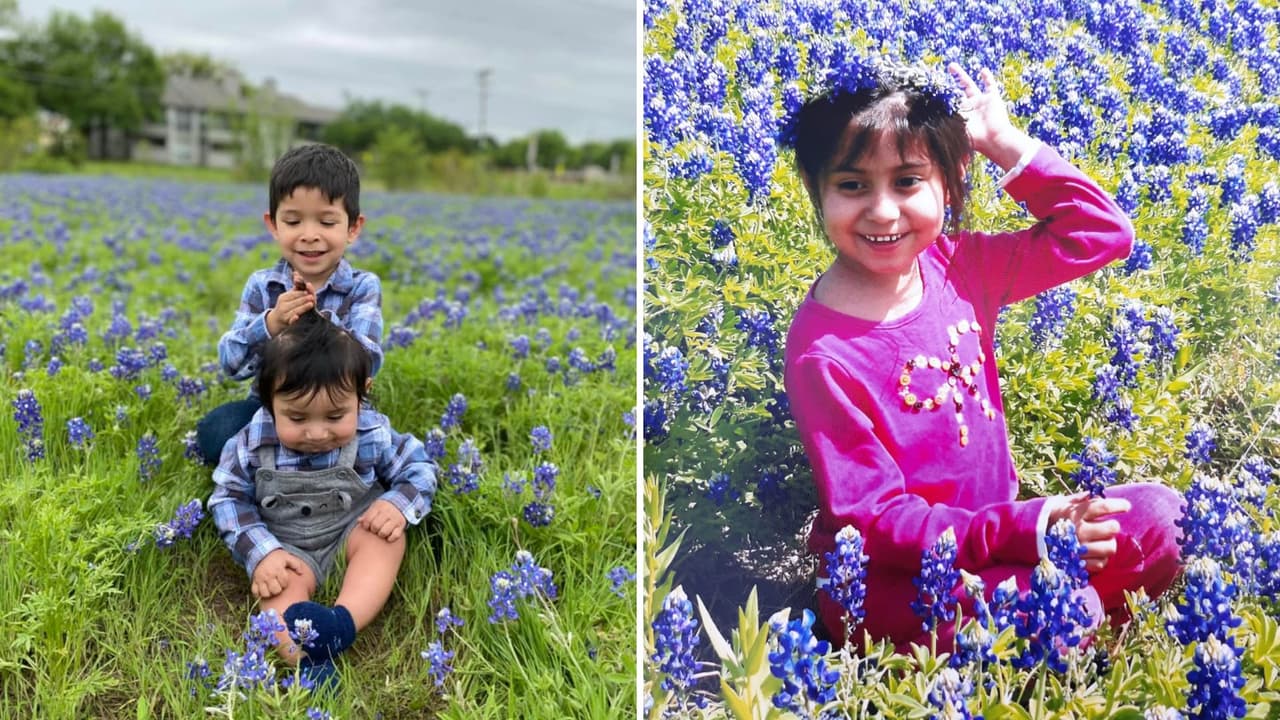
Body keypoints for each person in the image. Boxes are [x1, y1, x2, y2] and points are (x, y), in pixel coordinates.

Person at [781, 60, 1183, 651]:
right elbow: (875, 522)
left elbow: (1101, 234)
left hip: (1001, 541)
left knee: (1163, 519)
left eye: (908, 181)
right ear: (817, 189)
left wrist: (1003, 143)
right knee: (1062, 606)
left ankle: (1065, 633)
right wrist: (1033, 527)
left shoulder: (961, 268)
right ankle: (1059, 634)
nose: (883, 210)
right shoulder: (823, 352)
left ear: (953, 177)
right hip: (892, 580)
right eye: (852, 185)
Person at [208, 310, 435, 688]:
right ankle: (307, 662)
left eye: (335, 416)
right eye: (297, 418)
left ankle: (342, 622)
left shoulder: (372, 430)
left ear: (363, 392)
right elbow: (228, 498)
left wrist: (397, 503)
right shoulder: (250, 440)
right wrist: (262, 552)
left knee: (385, 539)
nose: (316, 432)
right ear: (268, 402)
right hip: (286, 545)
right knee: (278, 590)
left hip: (351, 527)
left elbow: (419, 467)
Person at [195, 143, 384, 466]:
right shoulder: (262, 285)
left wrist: (315, 321)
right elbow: (231, 364)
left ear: (353, 228)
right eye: (294, 222)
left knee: (379, 440)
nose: (309, 235)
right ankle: (289, 469)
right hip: (275, 411)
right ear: (273, 226)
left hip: (334, 414)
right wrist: (270, 325)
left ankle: (286, 465)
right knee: (217, 430)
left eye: (327, 223)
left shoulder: (362, 286)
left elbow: (368, 360)